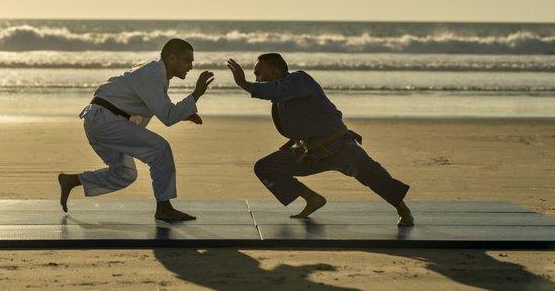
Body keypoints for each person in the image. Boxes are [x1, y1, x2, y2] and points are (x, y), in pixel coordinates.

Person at [227, 53, 414, 226]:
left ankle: (404, 211)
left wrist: (243, 83)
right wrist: (291, 142)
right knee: (266, 167)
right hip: (310, 153)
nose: (257, 79)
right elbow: (302, 122)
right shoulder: (281, 95)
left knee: (374, 176)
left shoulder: (299, 80)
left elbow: (275, 90)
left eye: (259, 73)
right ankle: (312, 199)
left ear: (274, 71)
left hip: (340, 147)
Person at [58, 39, 214, 221]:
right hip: (105, 121)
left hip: (101, 120)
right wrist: (197, 93)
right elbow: (168, 117)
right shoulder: (153, 74)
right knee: (160, 149)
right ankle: (164, 208)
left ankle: (72, 180)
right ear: (172, 59)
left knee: (125, 174)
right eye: (188, 61)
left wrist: (185, 114)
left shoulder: (157, 74)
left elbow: (160, 107)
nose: (191, 66)